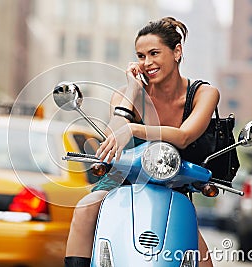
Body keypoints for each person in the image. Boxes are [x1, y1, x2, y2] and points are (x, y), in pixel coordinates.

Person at [64, 17, 217, 267]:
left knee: (201, 258)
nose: (147, 63)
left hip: (174, 181)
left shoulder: (203, 93)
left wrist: (135, 128)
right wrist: (132, 90)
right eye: (141, 56)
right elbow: (113, 140)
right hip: (123, 173)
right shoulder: (127, 94)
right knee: (85, 209)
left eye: (154, 53)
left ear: (177, 51)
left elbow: (185, 136)